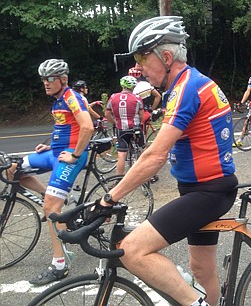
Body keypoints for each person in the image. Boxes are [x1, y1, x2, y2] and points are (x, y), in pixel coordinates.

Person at [88, 16, 237, 306]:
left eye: (142, 58)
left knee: (131, 250)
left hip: (208, 191)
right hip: (200, 188)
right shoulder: (186, 84)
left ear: (166, 57)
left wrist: (107, 199)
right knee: (201, 269)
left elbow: (155, 156)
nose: (139, 68)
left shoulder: (187, 88)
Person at [17, 59, 94, 285]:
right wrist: (50, 144)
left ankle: (60, 265)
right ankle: (50, 197)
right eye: (43, 79)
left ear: (63, 79)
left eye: (50, 78)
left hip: (70, 155)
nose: (46, 83)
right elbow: (64, 127)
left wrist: (76, 155)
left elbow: (87, 126)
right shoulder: (58, 100)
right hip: (56, 152)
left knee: (51, 208)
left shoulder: (72, 96)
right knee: (13, 170)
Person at [105, 76, 145, 175]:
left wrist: (114, 122)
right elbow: (141, 115)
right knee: (143, 150)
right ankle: (148, 176)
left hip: (121, 129)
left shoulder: (113, 97)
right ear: (133, 87)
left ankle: (118, 179)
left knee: (121, 155)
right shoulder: (137, 98)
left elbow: (107, 114)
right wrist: (139, 122)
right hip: (135, 127)